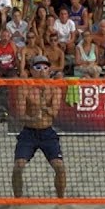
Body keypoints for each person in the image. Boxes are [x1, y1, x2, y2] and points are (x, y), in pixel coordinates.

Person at [12, 65, 67, 198]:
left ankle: (61, 200)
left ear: (49, 71)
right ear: (31, 71)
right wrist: (32, 118)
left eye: (45, 67)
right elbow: (20, 115)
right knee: (18, 167)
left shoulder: (55, 89)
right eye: (37, 67)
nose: (42, 70)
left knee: (59, 167)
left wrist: (42, 106)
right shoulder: (24, 89)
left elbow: (54, 113)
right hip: (28, 133)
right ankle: (17, 200)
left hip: (47, 133)